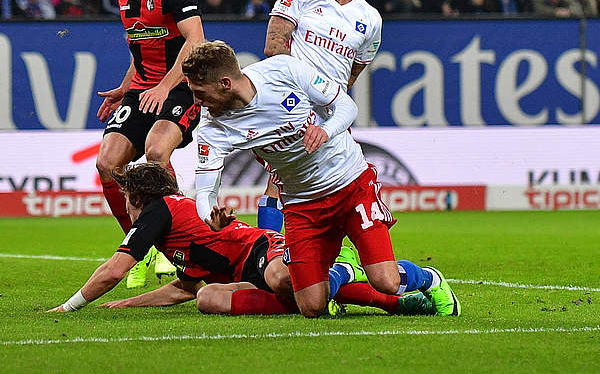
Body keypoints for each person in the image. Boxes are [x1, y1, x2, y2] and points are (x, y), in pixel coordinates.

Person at [182, 41, 460, 317]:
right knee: (312, 306)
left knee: (386, 281)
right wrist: (210, 217)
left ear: (225, 84)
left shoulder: (282, 70)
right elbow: (206, 193)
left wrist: (326, 130)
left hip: (350, 183)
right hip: (302, 206)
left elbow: (346, 107)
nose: (195, 101)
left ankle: (429, 279)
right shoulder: (212, 129)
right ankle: (344, 271)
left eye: (199, 92)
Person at [48, 162, 440, 317]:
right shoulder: (170, 227)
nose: (127, 211)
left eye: (127, 200)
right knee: (206, 298)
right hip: (246, 273)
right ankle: (353, 289)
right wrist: (125, 304)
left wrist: (72, 306)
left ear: (137, 198)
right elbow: (181, 289)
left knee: (282, 282)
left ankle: (344, 274)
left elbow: (115, 268)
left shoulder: (157, 211)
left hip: (265, 252)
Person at [93, 0, 205, 288]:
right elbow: (141, 48)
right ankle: (141, 246)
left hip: (180, 87)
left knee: (157, 152)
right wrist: (124, 88)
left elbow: (196, 41)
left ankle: (186, 245)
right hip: (141, 90)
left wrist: (164, 86)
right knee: (107, 163)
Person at [257, 0, 382, 232]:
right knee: (281, 180)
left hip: (330, 116)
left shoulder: (370, 20)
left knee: (339, 185)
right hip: (290, 106)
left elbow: (352, 72)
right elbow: (274, 48)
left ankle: (338, 255)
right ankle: (266, 253)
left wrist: (331, 103)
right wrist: (297, 101)